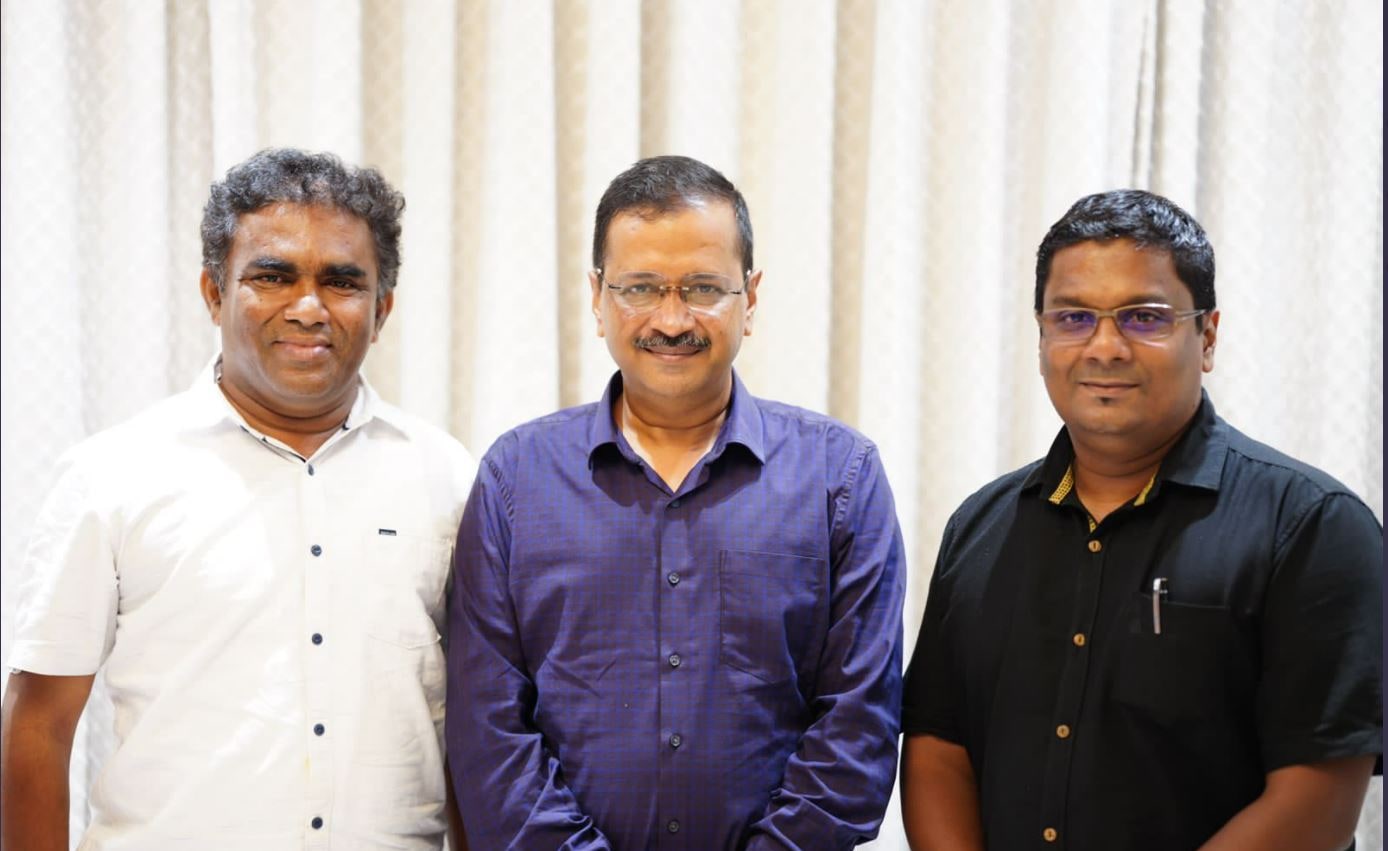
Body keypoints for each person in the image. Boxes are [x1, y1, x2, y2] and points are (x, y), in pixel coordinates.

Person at [1, 148, 475, 850]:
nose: (309, 307)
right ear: (214, 292)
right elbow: (38, 724)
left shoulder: (449, 479)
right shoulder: (112, 476)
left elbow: (477, 724)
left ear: (382, 310)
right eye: (272, 276)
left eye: (343, 281)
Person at [899, 189, 1382, 850]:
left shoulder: (1311, 528)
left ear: (1207, 335)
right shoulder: (980, 527)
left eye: (1144, 318)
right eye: (1072, 317)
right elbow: (937, 747)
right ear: (1041, 334)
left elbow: (1317, 795)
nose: (1105, 347)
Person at [447, 155, 906, 849]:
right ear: (597, 299)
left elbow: (858, 728)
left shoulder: (841, 477)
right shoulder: (516, 478)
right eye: (640, 288)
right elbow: (488, 730)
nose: (670, 318)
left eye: (702, 287)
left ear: (750, 298)